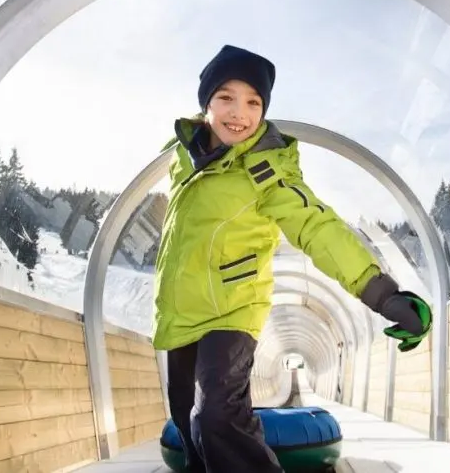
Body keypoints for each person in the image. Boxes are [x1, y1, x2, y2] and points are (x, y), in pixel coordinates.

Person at [151, 45, 431, 473]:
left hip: (232, 309)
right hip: (178, 311)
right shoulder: (183, 154)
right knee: (188, 426)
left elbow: (318, 227)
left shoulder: (268, 171)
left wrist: (381, 293)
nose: (238, 113)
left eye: (253, 102)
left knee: (216, 416)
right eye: (226, 97)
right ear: (206, 101)